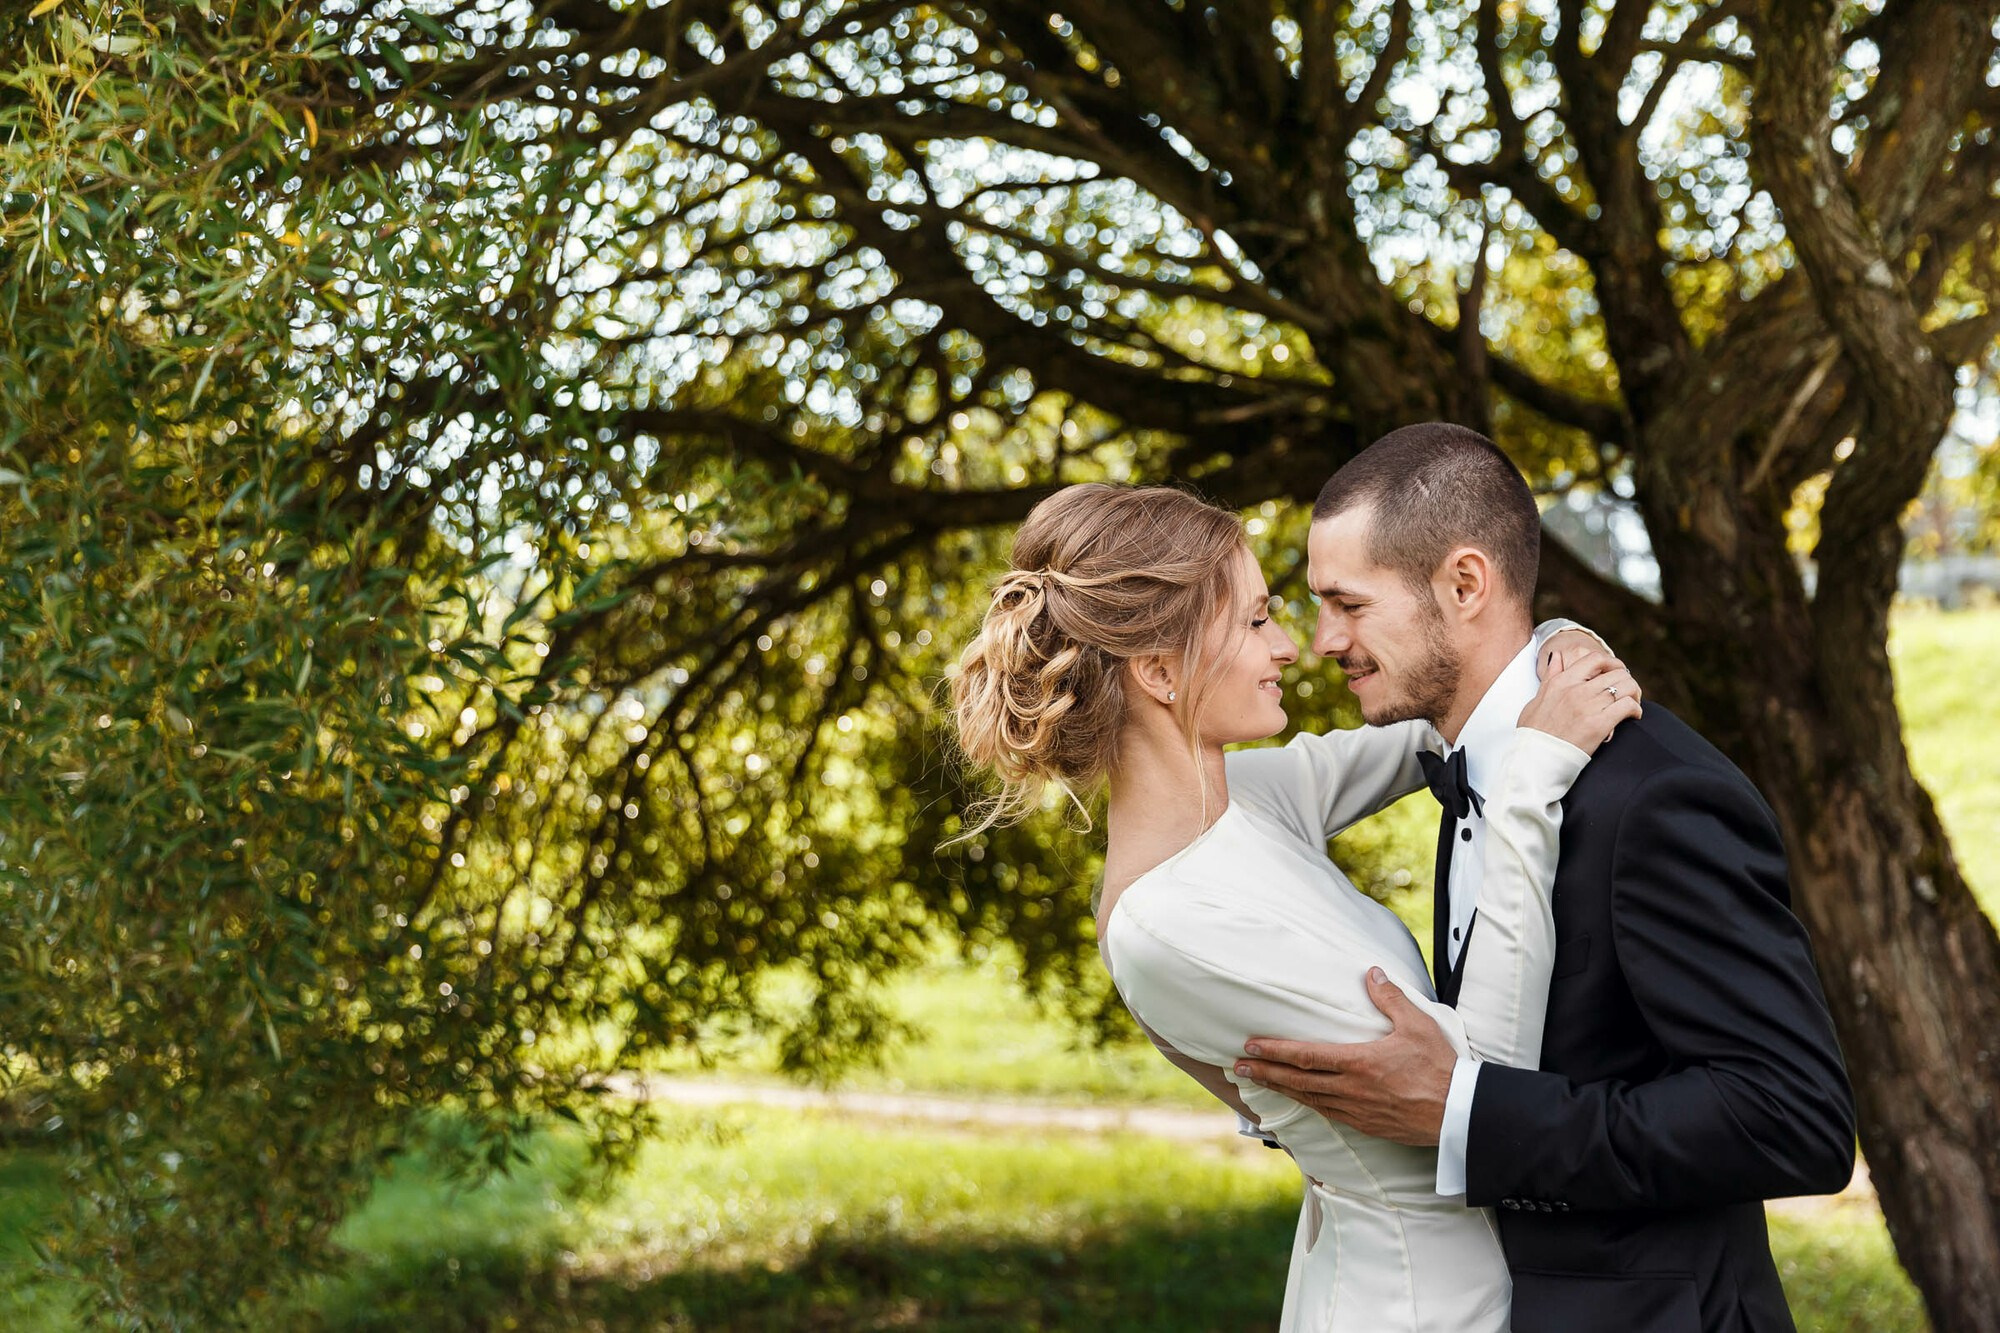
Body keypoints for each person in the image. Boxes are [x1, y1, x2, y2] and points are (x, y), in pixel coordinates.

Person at [950, 480, 1639, 1332]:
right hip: (1417, 1308)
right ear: (1160, 671)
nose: (1289, 646)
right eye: (1253, 620)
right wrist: (1534, 777)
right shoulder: (1174, 921)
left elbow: (1443, 708)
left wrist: (1556, 640)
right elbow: (1486, 1083)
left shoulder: (1249, 798)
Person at [1232, 423, 1857, 1332]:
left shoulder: (1657, 795)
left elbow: (1792, 1115)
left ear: (1465, 583)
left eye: (1349, 604)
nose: (1324, 641)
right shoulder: (1471, 761)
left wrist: (1471, 1112)